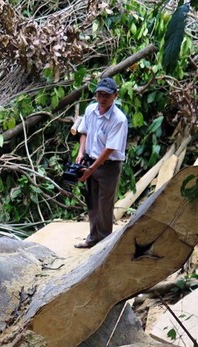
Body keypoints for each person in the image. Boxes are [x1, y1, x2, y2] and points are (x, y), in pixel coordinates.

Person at [73, 76, 128, 249]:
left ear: (115, 96)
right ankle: (92, 239)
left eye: (107, 95)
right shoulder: (90, 110)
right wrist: (81, 153)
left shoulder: (119, 119)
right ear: (95, 95)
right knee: (92, 202)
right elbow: (84, 132)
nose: (102, 99)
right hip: (90, 161)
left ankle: (103, 244)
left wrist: (91, 168)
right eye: (100, 94)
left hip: (108, 166)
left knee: (104, 205)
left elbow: (110, 149)